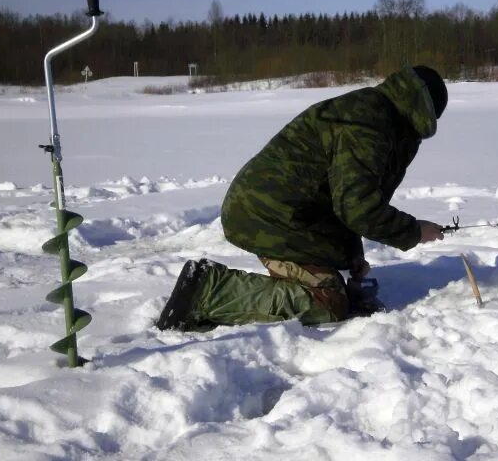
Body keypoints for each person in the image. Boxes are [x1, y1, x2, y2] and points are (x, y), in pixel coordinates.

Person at [156, 65, 448, 331]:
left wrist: (353, 253)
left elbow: (344, 196)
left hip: (286, 213)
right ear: (424, 113)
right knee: (329, 301)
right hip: (268, 214)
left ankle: (279, 282)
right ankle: (208, 290)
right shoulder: (369, 125)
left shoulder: (376, 113)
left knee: (335, 289)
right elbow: (357, 208)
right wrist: (413, 230)